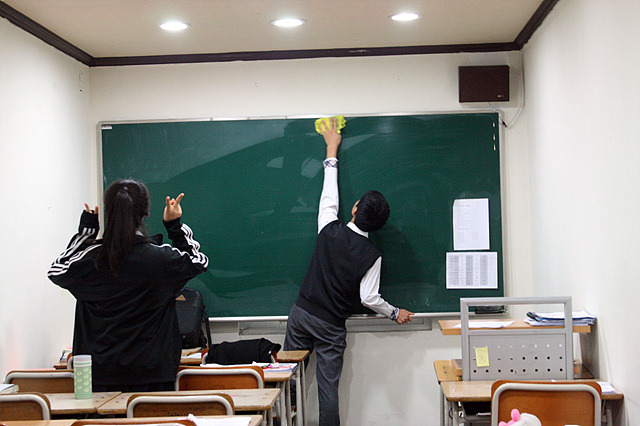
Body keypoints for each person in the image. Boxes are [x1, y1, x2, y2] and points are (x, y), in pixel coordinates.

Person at [284, 117, 414, 425]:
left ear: (354, 208)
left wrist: (332, 148)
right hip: (330, 327)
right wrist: (395, 313)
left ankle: (282, 420)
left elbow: (329, 194)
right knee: (328, 389)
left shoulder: (329, 227)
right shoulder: (373, 255)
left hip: (302, 314)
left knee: (288, 378)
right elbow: (368, 298)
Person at [48, 179, 209, 392]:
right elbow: (198, 260)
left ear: (108, 212)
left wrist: (86, 233)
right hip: (154, 377)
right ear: (145, 213)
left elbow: (57, 269)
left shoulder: (91, 260)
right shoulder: (161, 259)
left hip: (98, 378)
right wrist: (174, 226)